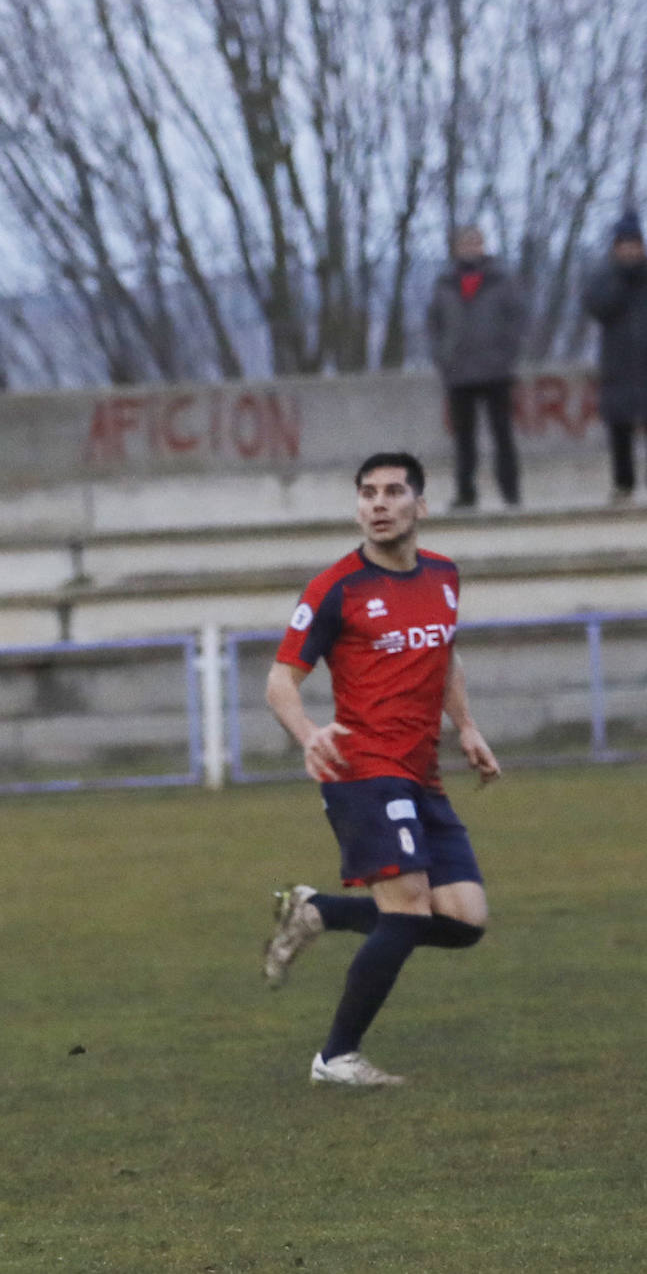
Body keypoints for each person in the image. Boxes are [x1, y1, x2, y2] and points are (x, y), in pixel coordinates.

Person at [262, 452, 499, 1087]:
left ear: (420, 505)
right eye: (368, 493)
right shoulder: (335, 588)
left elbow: (444, 654)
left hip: (422, 772)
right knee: (409, 909)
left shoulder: (444, 575)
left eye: (394, 492)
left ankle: (319, 911)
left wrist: (466, 726)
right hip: (362, 769)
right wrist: (310, 735)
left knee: (464, 921)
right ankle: (336, 1058)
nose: (379, 504)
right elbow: (280, 682)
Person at [425, 226, 526, 511]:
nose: (471, 248)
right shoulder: (445, 283)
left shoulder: (501, 281)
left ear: (483, 245)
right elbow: (434, 324)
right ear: (457, 248)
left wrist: (506, 355)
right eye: (466, 243)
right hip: (458, 373)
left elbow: (516, 320)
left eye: (476, 243)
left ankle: (511, 494)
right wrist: (443, 358)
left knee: (502, 435)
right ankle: (466, 494)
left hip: (496, 371)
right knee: (463, 440)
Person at [582, 209, 647, 504]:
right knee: (620, 428)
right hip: (618, 365)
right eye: (625, 245)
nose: (630, 251)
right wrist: (622, 279)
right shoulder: (605, 277)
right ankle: (623, 485)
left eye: (635, 245)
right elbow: (598, 307)